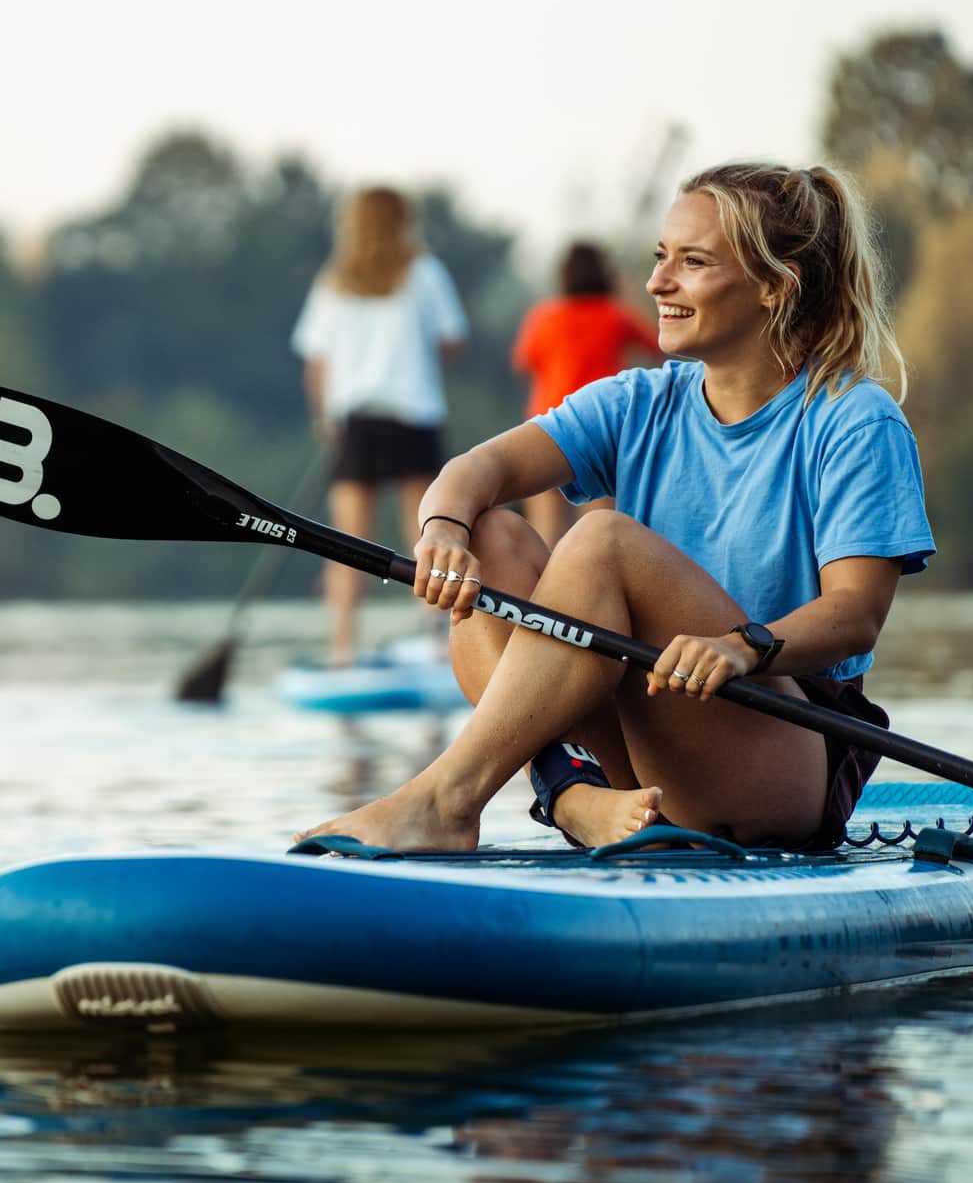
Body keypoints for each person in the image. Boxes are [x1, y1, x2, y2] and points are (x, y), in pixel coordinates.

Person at [298, 161, 934, 853]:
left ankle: (449, 799)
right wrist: (443, 532)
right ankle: (573, 796)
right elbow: (477, 470)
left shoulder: (854, 420)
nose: (658, 282)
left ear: (775, 287)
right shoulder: (640, 401)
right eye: (662, 257)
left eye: (693, 262)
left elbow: (855, 615)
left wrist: (744, 646)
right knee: (489, 536)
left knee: (603, 540)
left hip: (786, 751)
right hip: (646, 729)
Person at [292, 186, 468, 666]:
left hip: (356, 423)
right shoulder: (425, 273)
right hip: (414, 417)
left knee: (346, 542)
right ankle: (439, 644)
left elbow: (316, 361)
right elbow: (453, 340)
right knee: (427, 536)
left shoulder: (334, 281)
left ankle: (342, 649)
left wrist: (324, 419)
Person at [511, 241, 659, 544]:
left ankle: (544, 576)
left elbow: (523, 362)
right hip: (603, 425)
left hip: (547, 425)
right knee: (601, 529)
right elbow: (656, 345)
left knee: (545, 530)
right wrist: (626, 297)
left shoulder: (544, 316)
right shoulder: (616, 315)